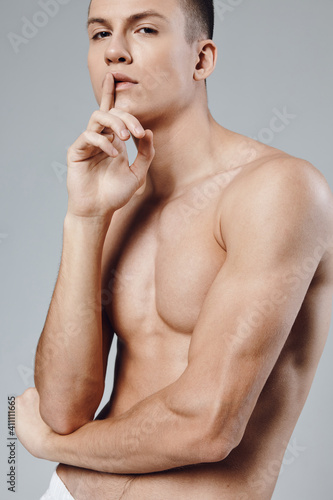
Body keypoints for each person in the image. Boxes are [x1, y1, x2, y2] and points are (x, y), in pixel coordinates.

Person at [15, 0, 333, 498]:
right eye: (99, 34)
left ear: (201, 59)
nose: (115, 52)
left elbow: (206, 427)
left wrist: (49, 444)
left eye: (143, 29)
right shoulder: (115, 196)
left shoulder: (278, 190)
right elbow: (62, 408)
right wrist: (85, 217)